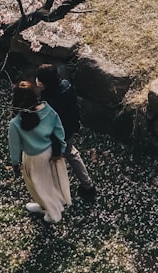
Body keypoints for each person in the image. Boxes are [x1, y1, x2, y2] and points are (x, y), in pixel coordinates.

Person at [8, 80, 71, 223]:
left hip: (32, 158)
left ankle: (52, 212)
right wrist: (60, 148)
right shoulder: (47, 109)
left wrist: (15, 163)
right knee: (50, 182)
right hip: (49, 152)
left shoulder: (16, 123)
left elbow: (15, 146)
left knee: (38, 185)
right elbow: (58, 129)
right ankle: (44, 206)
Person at [35, 64, 97, 200]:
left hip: (57, 136)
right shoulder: (66, 85)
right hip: (69, 129)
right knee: (71, 154)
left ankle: (55, 193)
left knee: (53, 162)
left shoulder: (49, 100)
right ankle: (88, 185)